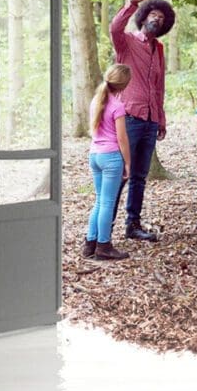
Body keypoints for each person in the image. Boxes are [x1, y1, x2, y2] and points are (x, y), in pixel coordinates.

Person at [110, 0, 176, 242]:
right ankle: (105, 226)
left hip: (149, 120)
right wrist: (132, 2)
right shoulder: (126, 42)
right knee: (121, 173)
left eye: (161, 19)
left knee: (139, 175)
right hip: (128, 118)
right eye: (153, 15)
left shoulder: (158, 49)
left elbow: (159, 86)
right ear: (144, 17)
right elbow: (114, 27)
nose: (156, 20)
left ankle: (132, 224)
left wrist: (160, 118)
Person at [81, 64, 131, 262]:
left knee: (99, 200)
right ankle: (104, 245)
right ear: (124, 85)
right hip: (111, 157)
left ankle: (89, 244)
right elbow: (122, 138)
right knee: (107, 204)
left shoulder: (97, 100)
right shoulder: (118, 107)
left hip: (95, 155)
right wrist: (128, 162)